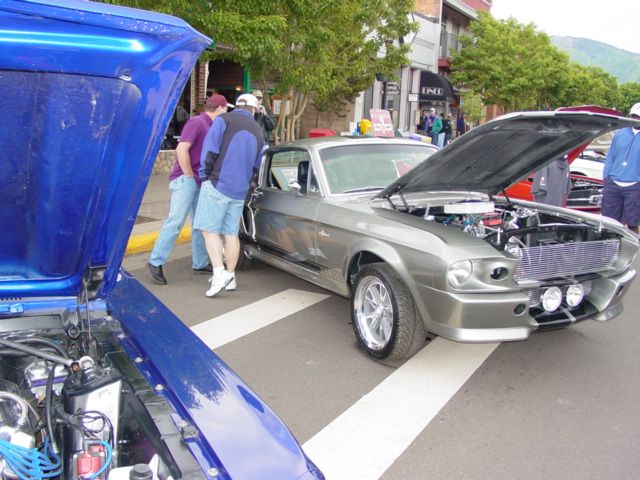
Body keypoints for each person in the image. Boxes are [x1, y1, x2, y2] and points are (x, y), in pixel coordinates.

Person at [147, 94, 234, 285]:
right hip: (186, 179)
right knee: (175, 222)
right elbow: (181, 149)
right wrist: (188, 174)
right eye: (226, 108)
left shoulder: (210, 125)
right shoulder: (197, 122)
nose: (227, 111)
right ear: (219, 108)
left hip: (198, 180)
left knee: (200, 224)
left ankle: (200, 263)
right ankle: (155, 261)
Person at [193, 93, 265, 297]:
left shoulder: (224, 120)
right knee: (231, 233)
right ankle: (230, 276)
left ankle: (218, 273)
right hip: (239, 190)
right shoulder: (259, 131)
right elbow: (257, 165)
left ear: (237, 106)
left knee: (209, 230)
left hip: (217, 184)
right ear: (253, 109)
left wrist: (205, 176)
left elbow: (210, 150)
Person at [601, 102, 640, 233]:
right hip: (613, 184)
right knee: (609, 222)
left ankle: (634, 245)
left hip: (635, 186)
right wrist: (607, 177)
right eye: (634, 116)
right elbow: (610, 156)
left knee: (632, 223)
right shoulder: (620, 134)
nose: (636, 119)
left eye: (638, 117)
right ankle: (609, 244)